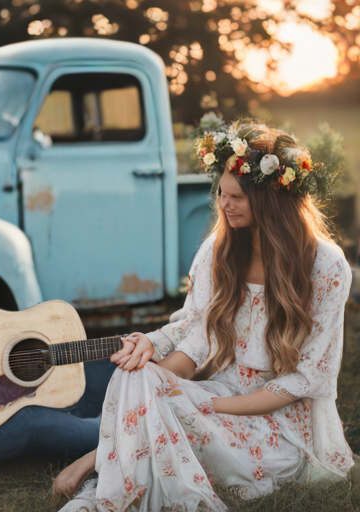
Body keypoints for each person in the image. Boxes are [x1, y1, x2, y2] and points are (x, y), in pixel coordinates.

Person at [52, 119, 354, 511]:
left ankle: (97, 475)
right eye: (221, 194)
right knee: (137, 374)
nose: (224, 206)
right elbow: (197, 332)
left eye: (237, 198)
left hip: (280, 425)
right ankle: (106, 477)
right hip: (222, 392)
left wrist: (202, 405)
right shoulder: (222, 248)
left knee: (171, 411)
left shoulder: (326, 267)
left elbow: (302, 380)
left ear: (270, 202)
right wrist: (154, 357)